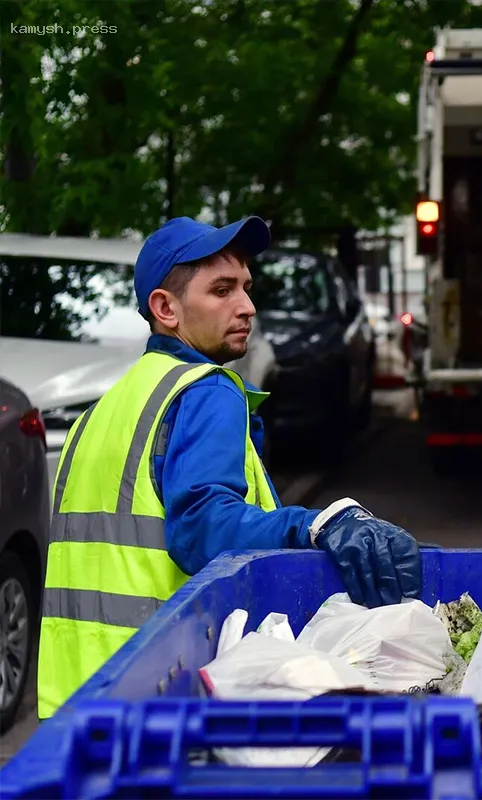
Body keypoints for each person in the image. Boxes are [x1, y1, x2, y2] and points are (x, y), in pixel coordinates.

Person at [37, 215, 423, 720]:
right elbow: (202, 528)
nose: (247, 306)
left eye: (246, 288)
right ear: (166, 308)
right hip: (162, 695)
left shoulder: (100, 413)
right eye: (222, 290)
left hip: (75, 704)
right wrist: (316, 525)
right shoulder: (206, 389)